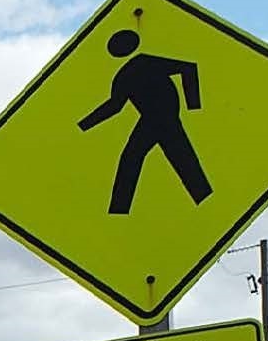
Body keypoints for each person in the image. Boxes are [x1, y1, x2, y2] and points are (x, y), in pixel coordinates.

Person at [78, 29, 212, 216]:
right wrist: (83, 125)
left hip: (163, 117)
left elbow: (188, 68)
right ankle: (119, 210)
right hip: (153, 118)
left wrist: (194, 106)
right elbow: (115, 106)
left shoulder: (142, 64)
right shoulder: (125, 74)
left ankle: (119, 209)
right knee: (173, 156)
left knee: (145, 157)